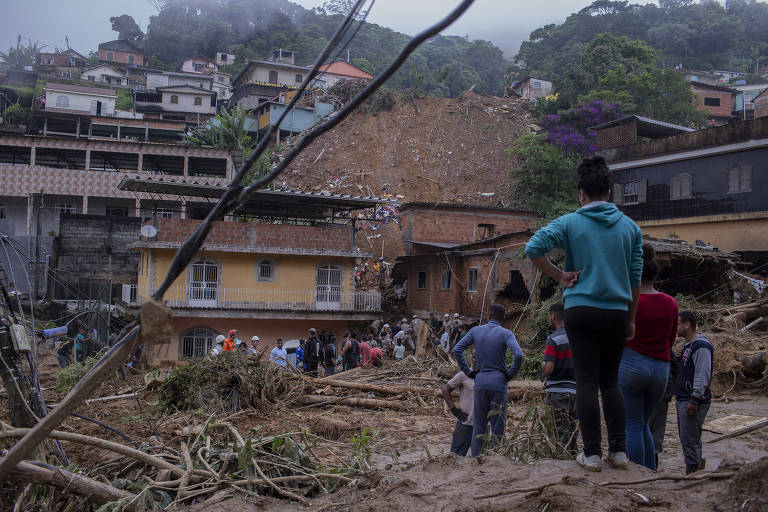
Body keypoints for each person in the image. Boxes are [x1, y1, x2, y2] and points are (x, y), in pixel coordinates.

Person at [524, 155, 642, 472]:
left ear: (581, 194)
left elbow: (533, 249)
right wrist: (630, 318)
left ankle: (590, 455)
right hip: (617, 312)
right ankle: (618, 452)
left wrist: (559, 275)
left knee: (586, 380)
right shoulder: (631, 229)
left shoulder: (570, 222)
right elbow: (635, 279)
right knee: (611, 381)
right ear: (610, 192)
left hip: (580, 310)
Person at [618, 245, 678, 470]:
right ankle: (651, 471)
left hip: (632, 364)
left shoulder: (628, 302)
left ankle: (636, 474)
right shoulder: (671, 303)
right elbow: (670, 341)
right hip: (661, 369)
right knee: (643, 423)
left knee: (632, 424)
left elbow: (619, 336)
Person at [453, 303, 524, 457]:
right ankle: (496, 460)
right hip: (499, 383)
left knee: (479, 426)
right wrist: (510, 373)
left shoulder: (476, 331)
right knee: (498, 425)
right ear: (502, 318)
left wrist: (468, 371)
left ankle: (476, 459)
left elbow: (457, 349)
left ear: (487, 316)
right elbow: (519, 355)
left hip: (480, 382)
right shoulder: (506, 333)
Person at [674, 310, 714, 475]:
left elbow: (702, 374)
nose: (676, 328)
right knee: (690, 438)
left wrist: (695, 398)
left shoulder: (701, 346)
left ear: (687, 325)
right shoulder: (687, 345)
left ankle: (692, 473)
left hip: (692, 399)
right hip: (684, 397)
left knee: (689, 439)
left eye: (678, 324)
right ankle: (695, 469)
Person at [542, 302, 578, 455]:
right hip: (576, 391)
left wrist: (543, 364)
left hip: (557, 392)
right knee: (573, 430)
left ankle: (562, 461)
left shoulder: (553, 339)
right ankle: (574, 455)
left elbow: (549, 367)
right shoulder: (578, 338)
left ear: (554, 316)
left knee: (559, 431)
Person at [648, 346, 679, 470]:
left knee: (653, 434)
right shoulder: (663, 342)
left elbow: (675, 368)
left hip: (659, 397)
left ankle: (650, 467)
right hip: (653, 395)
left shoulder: (663, 345)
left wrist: (667, 394)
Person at [442, 352, 476, 456]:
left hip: (482, 426)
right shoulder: (464, 375)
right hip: (465, 424)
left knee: (481, 460)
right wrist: (454, 409)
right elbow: (445, 389)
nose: (476, 360)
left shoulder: (486, 376)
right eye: (474, 357)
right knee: (455, 458)